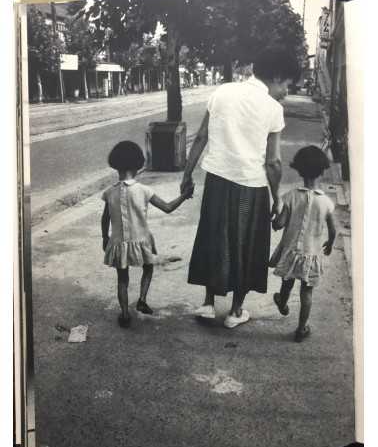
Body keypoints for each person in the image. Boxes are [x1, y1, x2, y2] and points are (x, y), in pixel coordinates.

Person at [180, 49, 297, 328]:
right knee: (247, 245)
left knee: (213, 237)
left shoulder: (222, 92)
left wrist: (187, 175)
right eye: (287, 86)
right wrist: (277, 198)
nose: (285, 93)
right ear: (277, 77)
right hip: (251, 188)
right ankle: (235, 311)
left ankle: (208, 303)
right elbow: (274, 163)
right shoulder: (273, 109)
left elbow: (201, 138)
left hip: (217, 182)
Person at [101, 141, 194, 328]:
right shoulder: (144, 190)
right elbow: (167, 208)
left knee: (122, 279)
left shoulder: (109, 193)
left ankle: (125, 313)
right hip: (142, 240)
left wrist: (105, 238)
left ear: (115, 165)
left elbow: (105, 219)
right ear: (138, 166)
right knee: (148, 267)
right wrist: (184, 196)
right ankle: (142, 299)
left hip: (119, 242)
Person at [269, 145, 336, 342]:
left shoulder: (290, 196)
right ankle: (301, 328)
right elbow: (332, 230)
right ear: (322, 171)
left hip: (291, 252)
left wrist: (273, 220)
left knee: (287, 281)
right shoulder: (326, 203)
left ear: (298, 170)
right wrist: (330, 243)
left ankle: (282, 302)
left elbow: (279, 224)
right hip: (311, 253)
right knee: (307, 292)